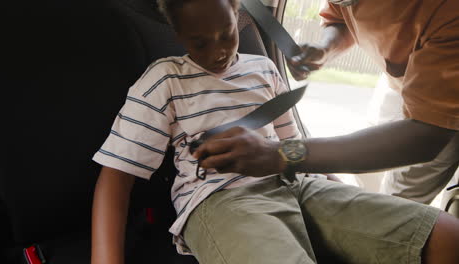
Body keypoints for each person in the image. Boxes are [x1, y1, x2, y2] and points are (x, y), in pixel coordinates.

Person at [91, 0, 459, 263]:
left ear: (240, 16)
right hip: (219, 199)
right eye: (199, 42)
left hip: (297, 186)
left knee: (446, 236)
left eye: (226, 34)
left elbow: (293, 147)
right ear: (178, 34)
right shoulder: (164, 80)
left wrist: (333, 186)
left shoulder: (264, 70)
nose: (218, 51)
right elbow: (117, 177)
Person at [291, 0, 459, 204]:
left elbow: (425, 137)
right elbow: (341, 17)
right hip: (397, 81)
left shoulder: (448, 10)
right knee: (366, 180)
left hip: (444, 104)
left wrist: (286, 155)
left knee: (399, 202)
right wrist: (325, 48)